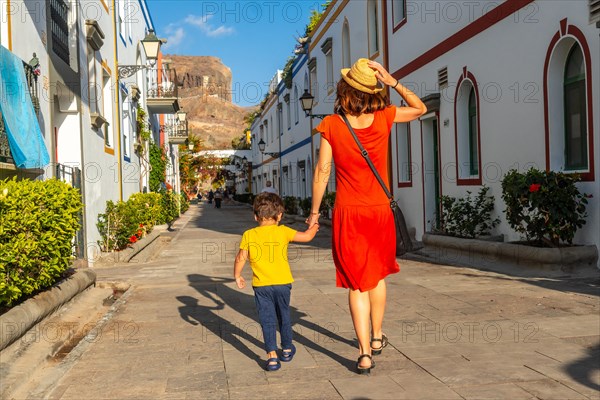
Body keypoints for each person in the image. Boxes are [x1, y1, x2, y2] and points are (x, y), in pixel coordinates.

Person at [306, 58, 427, 374]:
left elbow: (322, 170)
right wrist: (393, 81)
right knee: (376, 277)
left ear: (345, 90)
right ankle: (376, 337)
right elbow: (420, 109)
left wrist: (314, 212)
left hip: (349, 214)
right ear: (372, 90)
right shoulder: (385, 117)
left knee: (356, 285)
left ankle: (363, 354)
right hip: (379, 212)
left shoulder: (332, 125)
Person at [233, 192, 319, 371]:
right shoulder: (283, 231)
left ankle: (272, 356)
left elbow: (241, 257)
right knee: (284, 316)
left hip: (261, 286)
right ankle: (287, 349)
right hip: (283, 284)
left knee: (267, 320)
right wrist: (314, 224)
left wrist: (237, 275)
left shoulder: (249, 234)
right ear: (279, 215)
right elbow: (307, 237)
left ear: (255, 216)